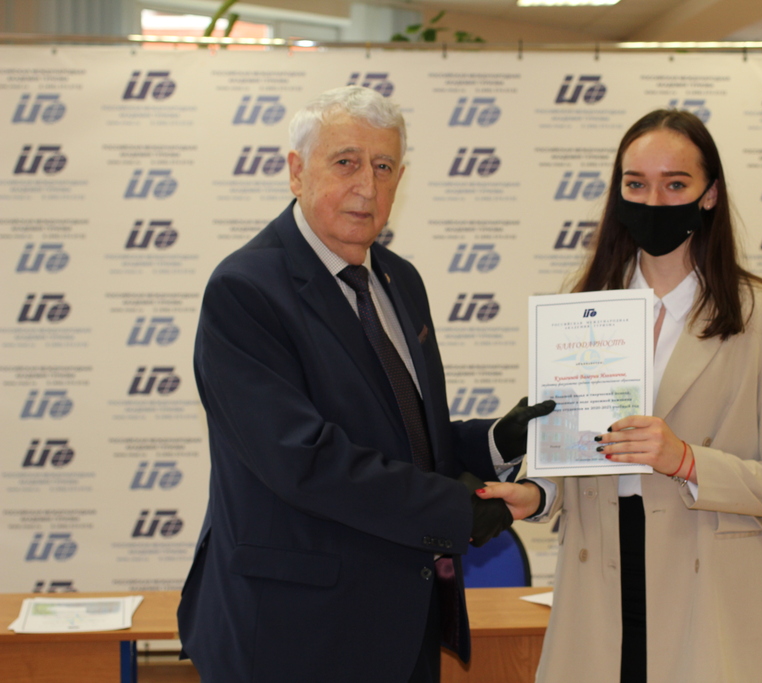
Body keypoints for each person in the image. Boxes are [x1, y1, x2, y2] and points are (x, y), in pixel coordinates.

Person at [176, 86, 554, 683]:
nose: (367, 187)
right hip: (291, 634)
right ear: (297, 171)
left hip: (401, 623)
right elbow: (304, 460)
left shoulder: (400, 280)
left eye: (383, 167)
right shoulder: (245, 290)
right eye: (345, 162)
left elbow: (404, 436)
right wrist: (457, 510)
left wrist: (493, 443)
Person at [479, 109, 762, 683]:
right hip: (598, 580)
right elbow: (574, 461)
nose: (653, 201)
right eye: (636, 184)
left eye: (675, 184)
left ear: (710, 195)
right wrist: (536, 495)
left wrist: (686, 460)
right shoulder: (581, 309)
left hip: (704, 585)